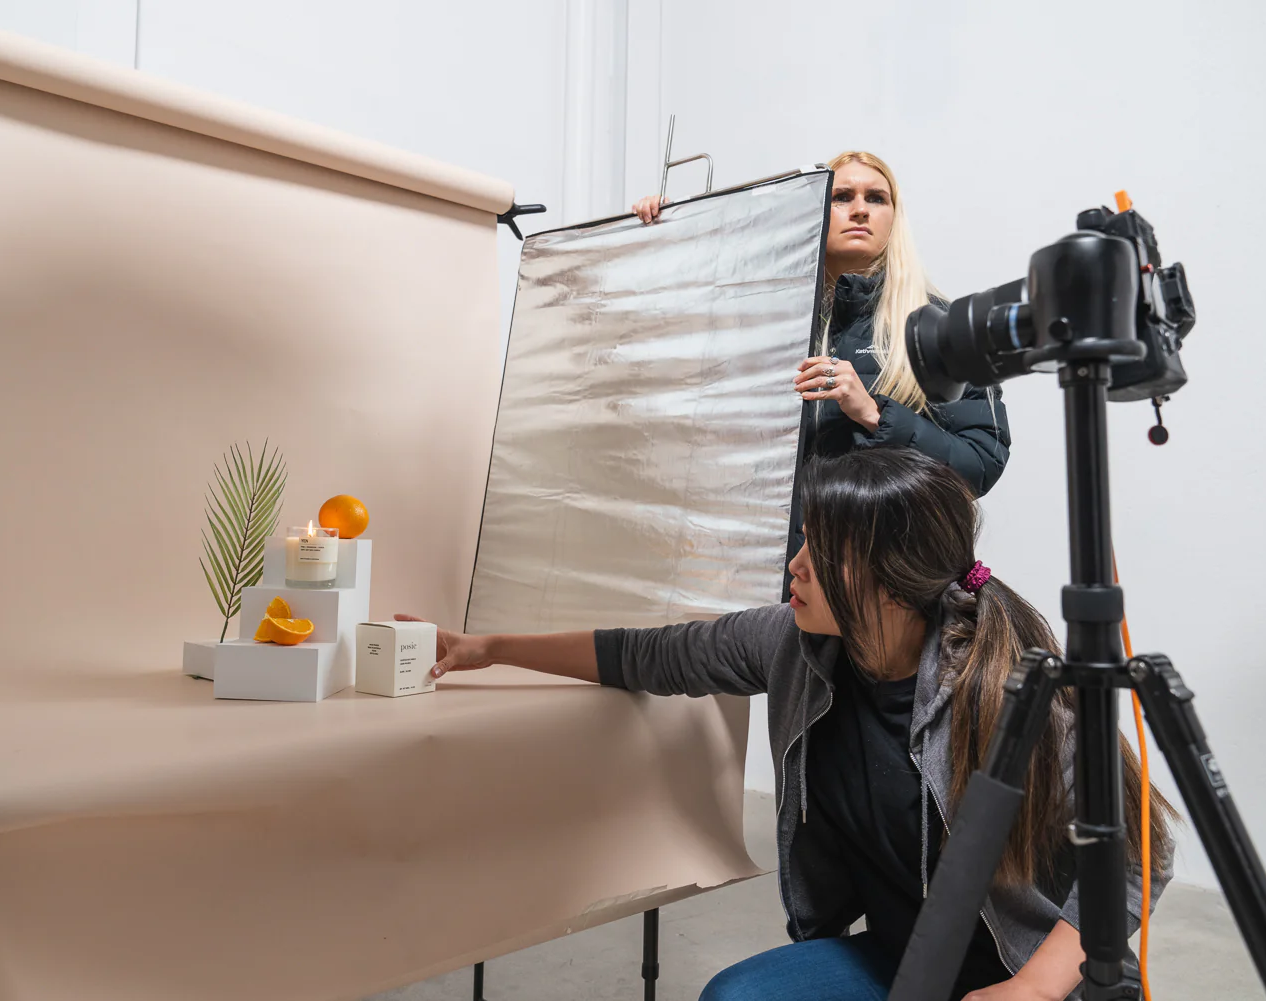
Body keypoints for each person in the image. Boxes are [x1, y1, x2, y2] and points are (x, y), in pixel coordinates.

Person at [400, 448, 1174, 1001]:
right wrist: (486, 646)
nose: (795, 565)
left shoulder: (1014, 691)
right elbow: (649, 655)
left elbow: (1143, 847)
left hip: (1036, 976)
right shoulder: (794, 644)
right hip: (905, 960)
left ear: (893, 583)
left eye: (822, 550)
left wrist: (1036, 987)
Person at [635, 154, 1011, 551]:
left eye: (877, 198)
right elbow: (667, 362)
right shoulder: (767, 318)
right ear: (817, 209)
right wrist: (661, 237)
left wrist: (874, 415)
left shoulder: (939, 326)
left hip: (886, 573)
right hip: (771, 575)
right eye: (842, 196)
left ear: (894, 217)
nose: (861, 210)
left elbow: (979, 465)